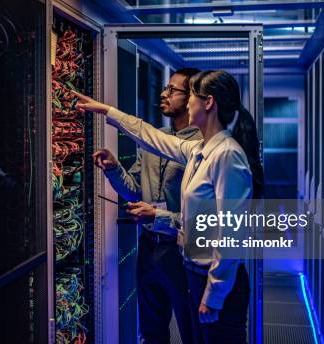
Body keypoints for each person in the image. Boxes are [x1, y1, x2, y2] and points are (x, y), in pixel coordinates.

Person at [73, 70, 263, 343]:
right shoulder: (199, 150)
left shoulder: (227, 155)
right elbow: (150, 136)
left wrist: (214, 294)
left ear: (207, 103)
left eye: (192, 96)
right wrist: (106, 111)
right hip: (196, 273)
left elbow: (231, 234)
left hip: (214, 280)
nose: (187, 104)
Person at [93, 68, 202, 344]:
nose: (164, 94)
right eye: (165, 88)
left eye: (172, 90)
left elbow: (206, 219)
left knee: (192, 329)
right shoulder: (153, 141)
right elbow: (133, 192)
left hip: (183, 250)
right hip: (150, 247)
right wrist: (114, 168)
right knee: (151, 330)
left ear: (191, 98)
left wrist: (159, 215)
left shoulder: (202, 146)